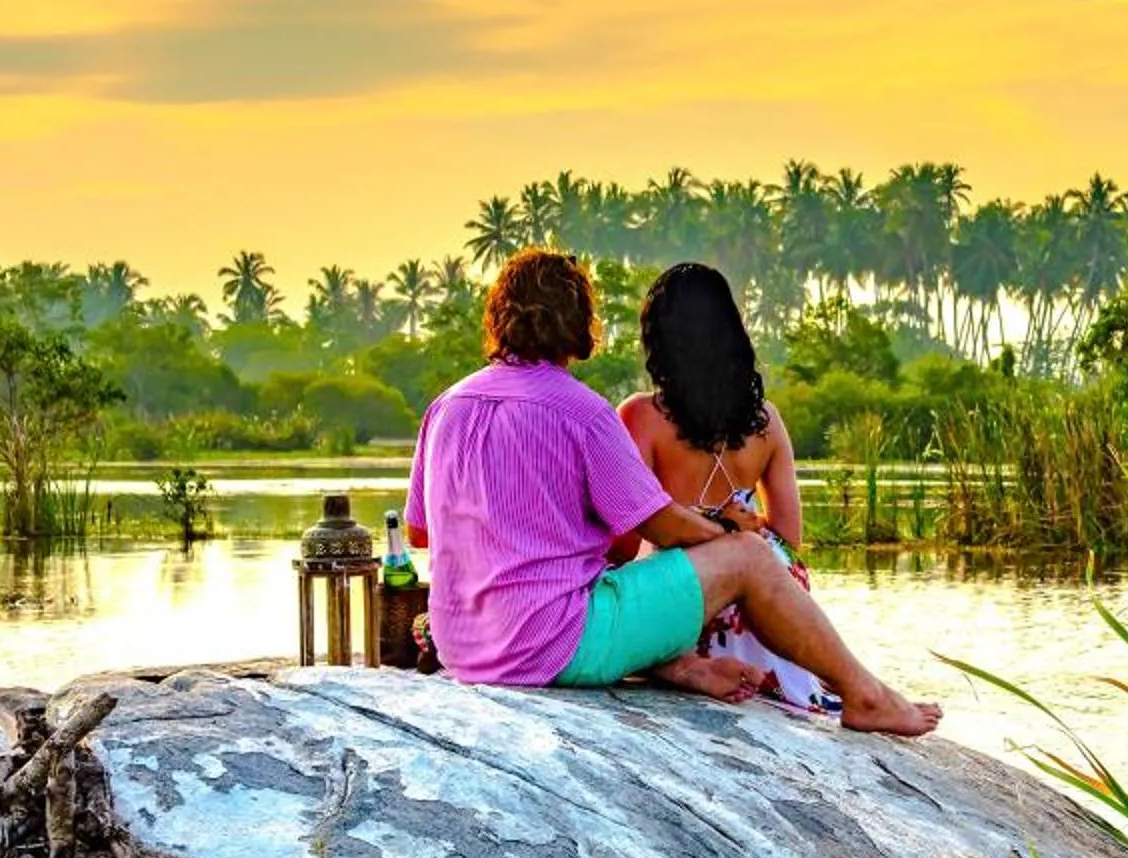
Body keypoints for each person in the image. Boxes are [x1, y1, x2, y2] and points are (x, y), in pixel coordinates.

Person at [402, 248, 940, 738]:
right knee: (751, 559)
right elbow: (656, 524)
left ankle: (682, 666)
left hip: (463, 645)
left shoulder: (446, 407)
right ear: (576, 325)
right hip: (550, 646)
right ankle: (864, 694)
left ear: (499, 318)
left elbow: (420, 532)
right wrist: (727, 531)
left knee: (604, 586)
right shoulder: (581, 411)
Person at [618, 262, 837, 717]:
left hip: (693, 594)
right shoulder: (768, 422)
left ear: (660, 339)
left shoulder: (641, 416)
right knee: (772, 560)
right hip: (766, 598)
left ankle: (682, 663)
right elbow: (788, 542)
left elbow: (626, 531)